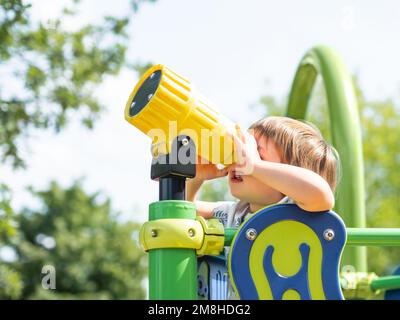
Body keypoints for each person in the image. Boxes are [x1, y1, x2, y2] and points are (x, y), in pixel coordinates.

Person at [186, 116, 341, 299]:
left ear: (287, 176)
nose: (240, 160)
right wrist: (196, 177)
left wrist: (255, 166)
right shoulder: (235, 212)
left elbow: (322, 193)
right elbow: (184, 210)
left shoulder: (296, 211)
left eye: (256, 152)